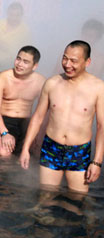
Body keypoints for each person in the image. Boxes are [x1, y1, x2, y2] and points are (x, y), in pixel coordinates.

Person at [20, 41, 104, 193]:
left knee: (77, 199)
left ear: (87, 62)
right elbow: (38, 117)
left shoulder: (98, 88)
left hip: (79, 151)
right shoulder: (52, 83)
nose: (67, 64)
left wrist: (97, 162)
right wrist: (25, 148)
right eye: (65, 59)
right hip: (52, 147)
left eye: (74, 61)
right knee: (46, 196)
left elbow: (101, 127)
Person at [0, 46, 45, 156]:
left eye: (25, 62)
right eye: (18, 59)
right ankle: (1, 172)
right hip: (5, 122)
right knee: (4, 152)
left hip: (27, 123)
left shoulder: (40, 82)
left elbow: (44, 112)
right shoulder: (2, 78)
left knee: (37, 153)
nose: (19, 64)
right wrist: (4, 133)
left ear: (34, 66)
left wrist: (39, 136)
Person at [0, 2, 31, 74]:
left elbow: (26, 51)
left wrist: (9, 49)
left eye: (17, 15)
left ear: (21, 15)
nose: (14, 18)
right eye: (11, 15)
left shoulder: (24, 30)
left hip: (13, 65)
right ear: (7, 14)